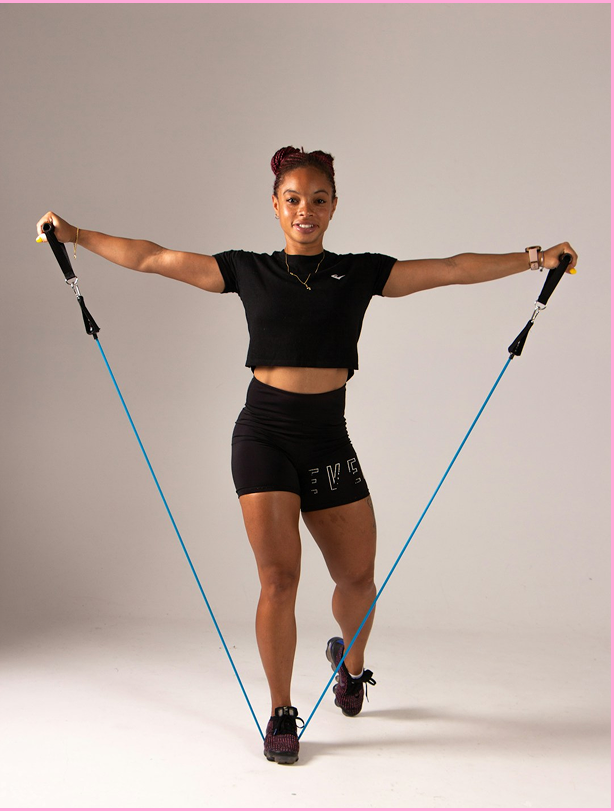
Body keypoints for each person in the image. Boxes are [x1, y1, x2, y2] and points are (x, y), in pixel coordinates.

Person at [36, 146, 577, 765]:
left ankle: (350, 665)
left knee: (357, 582)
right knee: (279, 579)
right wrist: (74, 235)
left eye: (318, 199)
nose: (306, 210)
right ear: (276, 206)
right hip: (262, 436)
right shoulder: (249, 270)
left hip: (327, 438)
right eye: (293, 199)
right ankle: (281, 711)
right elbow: (156, 258)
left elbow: (451, 268)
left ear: (333, 206)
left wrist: (535, 258)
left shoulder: (362, 273)